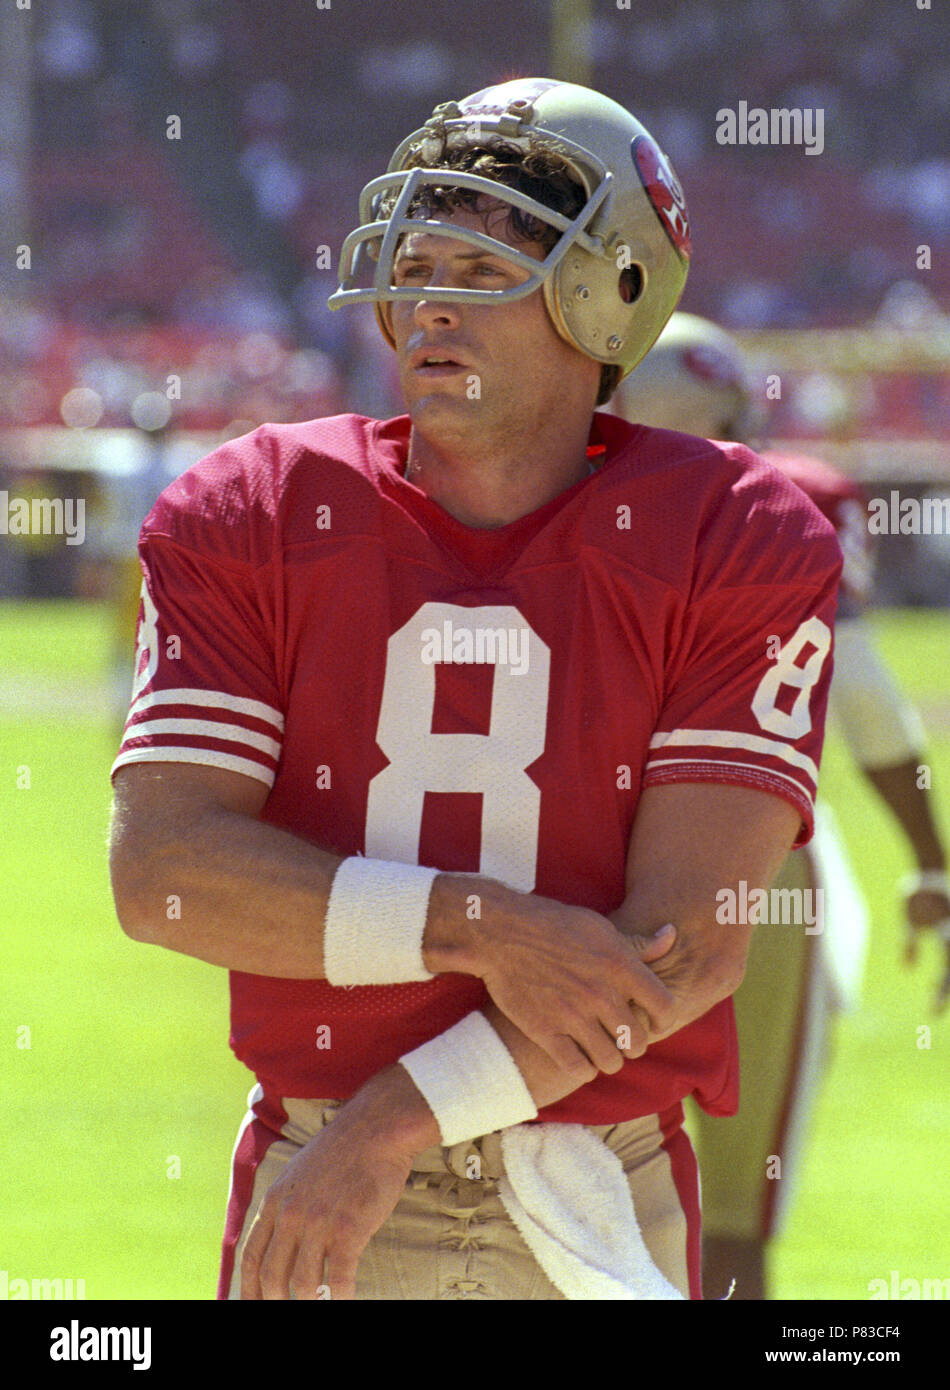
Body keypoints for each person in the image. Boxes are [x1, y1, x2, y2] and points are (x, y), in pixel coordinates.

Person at [107, 80, 841, 1301]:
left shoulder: (735, 529)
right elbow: (166, 877)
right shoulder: (254, 508)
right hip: (317, 1162)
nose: (426, 302)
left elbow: (688, 946)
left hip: (576, 1175)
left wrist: (387, 1127)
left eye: (482, 263)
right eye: (413, 259)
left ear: (606, 290)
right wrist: (486, 927)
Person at [614, 310, 950, 1300]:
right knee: (727, 1219)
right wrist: (930, 862)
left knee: (553, 1192)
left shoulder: (535, 501)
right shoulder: (777, 508)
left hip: (549, 872)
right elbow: (862, 698)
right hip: (744, 879)